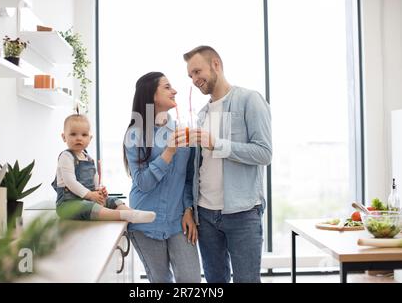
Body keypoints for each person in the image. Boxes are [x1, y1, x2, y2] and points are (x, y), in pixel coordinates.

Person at [183, 45, 272, 283]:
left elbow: (264, 153)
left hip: (242, 214)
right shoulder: (201, 115)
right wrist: (190, 208)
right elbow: (196, 169)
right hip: (206, 214)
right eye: (190, 75)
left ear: (216, 64)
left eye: (197, 71)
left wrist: (217, 144)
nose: (194, 79)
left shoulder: (249, 100)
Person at [123, 72, 201, 283]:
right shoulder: (135, 134)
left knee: (191, 281)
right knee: (160, 282)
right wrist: (168, 153)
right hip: (146, 223)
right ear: (152, 95)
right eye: (167, 87)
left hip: (179, 222)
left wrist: (188, 209)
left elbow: (188, 178)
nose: (174, 91)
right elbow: (143, 183)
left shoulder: (182, 130)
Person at [53, 114, 156, 223]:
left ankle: (131, 212)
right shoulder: (66, 156)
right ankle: (124, 215)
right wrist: (90, 195)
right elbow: (70, 182)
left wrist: (99, 191)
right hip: (68, 204)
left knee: (112, 201)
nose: (79, 138)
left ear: (90, 138)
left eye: (84, 135)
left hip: (87, 199)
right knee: (88, 207)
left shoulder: (89, 159)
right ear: (64, 137)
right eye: (73, 134)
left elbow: (95, 181)